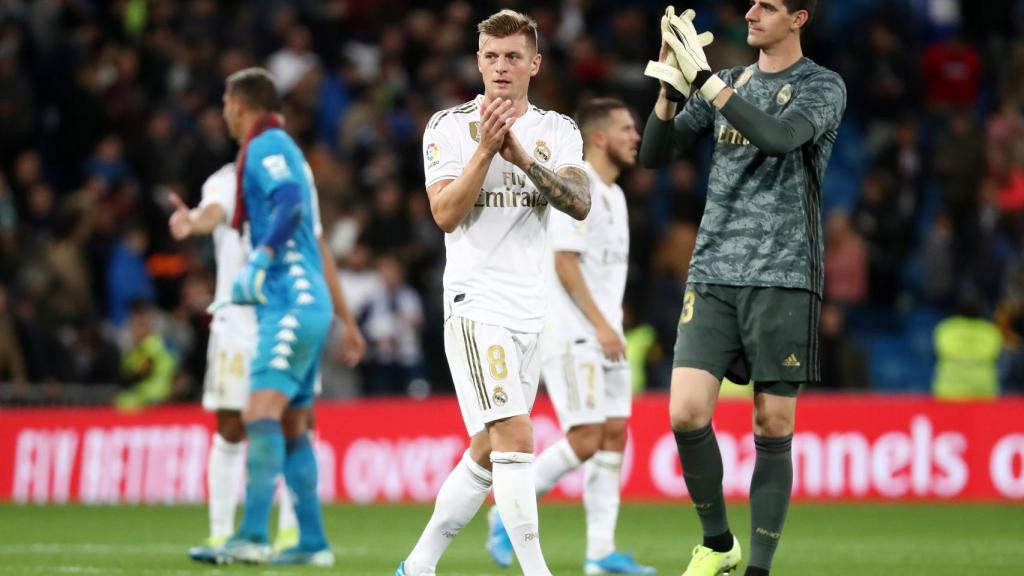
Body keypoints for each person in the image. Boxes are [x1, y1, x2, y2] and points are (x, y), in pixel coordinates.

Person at [639, 2, 845, 576]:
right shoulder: (728, 81)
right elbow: (654, 154)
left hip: (785, 274)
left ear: (798, 18)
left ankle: (757, 567)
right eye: (752, 3)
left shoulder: (821, 86)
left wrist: (705, 81)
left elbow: (779, 138)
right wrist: (671, 88)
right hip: (712, 271)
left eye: (769, 6)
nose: (752, 13)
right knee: (684, 413)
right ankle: (718, 542)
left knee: (772, 425)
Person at [396, 9, 591, 576]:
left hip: (531, 308)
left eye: (513, 56)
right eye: (491, 56)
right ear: (477, 60)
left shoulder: (558, 131)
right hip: (475, 302)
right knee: (516, 434)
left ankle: (418, 563)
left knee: (488, 448)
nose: (501, 67)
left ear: (535, 62)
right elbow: (445, 215)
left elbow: (578, 202)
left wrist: (522, 157)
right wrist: (486, 149)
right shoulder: (449, 126)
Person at [486, 98, 653, 575]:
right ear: (599, 137)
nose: (634, 137)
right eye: (627, 128)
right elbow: (564, 262)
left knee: (614, 435)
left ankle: (600, 552)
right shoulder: (576, 186)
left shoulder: (615, 195)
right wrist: (601, 324)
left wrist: (611, 322)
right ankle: (503, 510)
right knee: (585, 438)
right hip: (575, 332)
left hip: (606, 331)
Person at [186, 67, 346, 566]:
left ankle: (252, 534)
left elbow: (292, 205)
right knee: (294, 426)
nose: (223, 114)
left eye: (224, 103)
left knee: (258, 414)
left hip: (292, 304)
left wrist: (261, 258)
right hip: (303, 302)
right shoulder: (283, 148)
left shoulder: (265, 146)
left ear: (238, 103)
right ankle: (312, 542)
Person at [169, 161, 364, 556]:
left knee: (298, 424)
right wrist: (192, 221)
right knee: (230, 428)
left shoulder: (297, 174)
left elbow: (318, 244)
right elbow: (215, 212)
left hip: (289, 315)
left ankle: (293, 534)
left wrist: (346, 318)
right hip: (238, 326)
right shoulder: (225, 180)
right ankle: (223, 532)